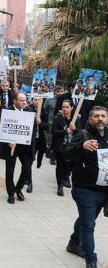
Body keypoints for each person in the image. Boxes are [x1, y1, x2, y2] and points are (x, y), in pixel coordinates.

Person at [65, 106, 108, 268]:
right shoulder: (83, 135)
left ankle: (73, 243)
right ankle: (91, 260)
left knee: (86, 219)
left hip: (104, 191)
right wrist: (81, 146)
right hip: (85, 190)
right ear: (90, 119)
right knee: (89, 225)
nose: (100, 119)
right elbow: (66, 152)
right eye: (96, 116)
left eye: (103, 116)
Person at [3, 93, 36, 204]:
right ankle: (11, 193)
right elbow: (2, 128)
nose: (24, 103)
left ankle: (18, 188)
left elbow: (32, 128)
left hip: (25, 146)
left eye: (25, 100)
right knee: (10, 170)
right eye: (21, 100)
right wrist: (8, 142)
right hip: (12, 146)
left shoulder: (29, 111)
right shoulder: (8, 111)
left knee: (27, 169)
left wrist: (37, 121)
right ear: (15, 101)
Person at [52, 99, 81, 196]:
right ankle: (60, 186)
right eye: (63, 107)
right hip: (60, 146)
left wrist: (75, 129)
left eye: (67, 107)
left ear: (72, 108)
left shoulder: (76, 118)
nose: (65, 109)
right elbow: (54, 132)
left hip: (73, 146)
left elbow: (81, 133)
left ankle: (66, 176)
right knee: (60, 165)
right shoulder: (57, 118)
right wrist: (66, 131)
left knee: (71, 164)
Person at [30, 96, 49, 190]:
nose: (37, 101)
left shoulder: (44, 111)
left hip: (39, 139)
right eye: (35, 99)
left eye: (39, 100)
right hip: (30, 139)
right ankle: (29, 181)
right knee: (29, 160)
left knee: (39, 156)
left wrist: (40, 122)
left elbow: (47, 127)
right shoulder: (28, 109)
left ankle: (39, 162)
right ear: (32, 101)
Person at [44, 86, 65, 165]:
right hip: (51, 123)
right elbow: (45, 110)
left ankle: (57, 156)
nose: (60, 93)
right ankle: (52, 157)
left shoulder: (65, 101)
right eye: (58, 91)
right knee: (51, 141)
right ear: (55, 92)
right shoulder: (49, 100)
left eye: (61, 91)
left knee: (59, 141)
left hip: (61, 124)